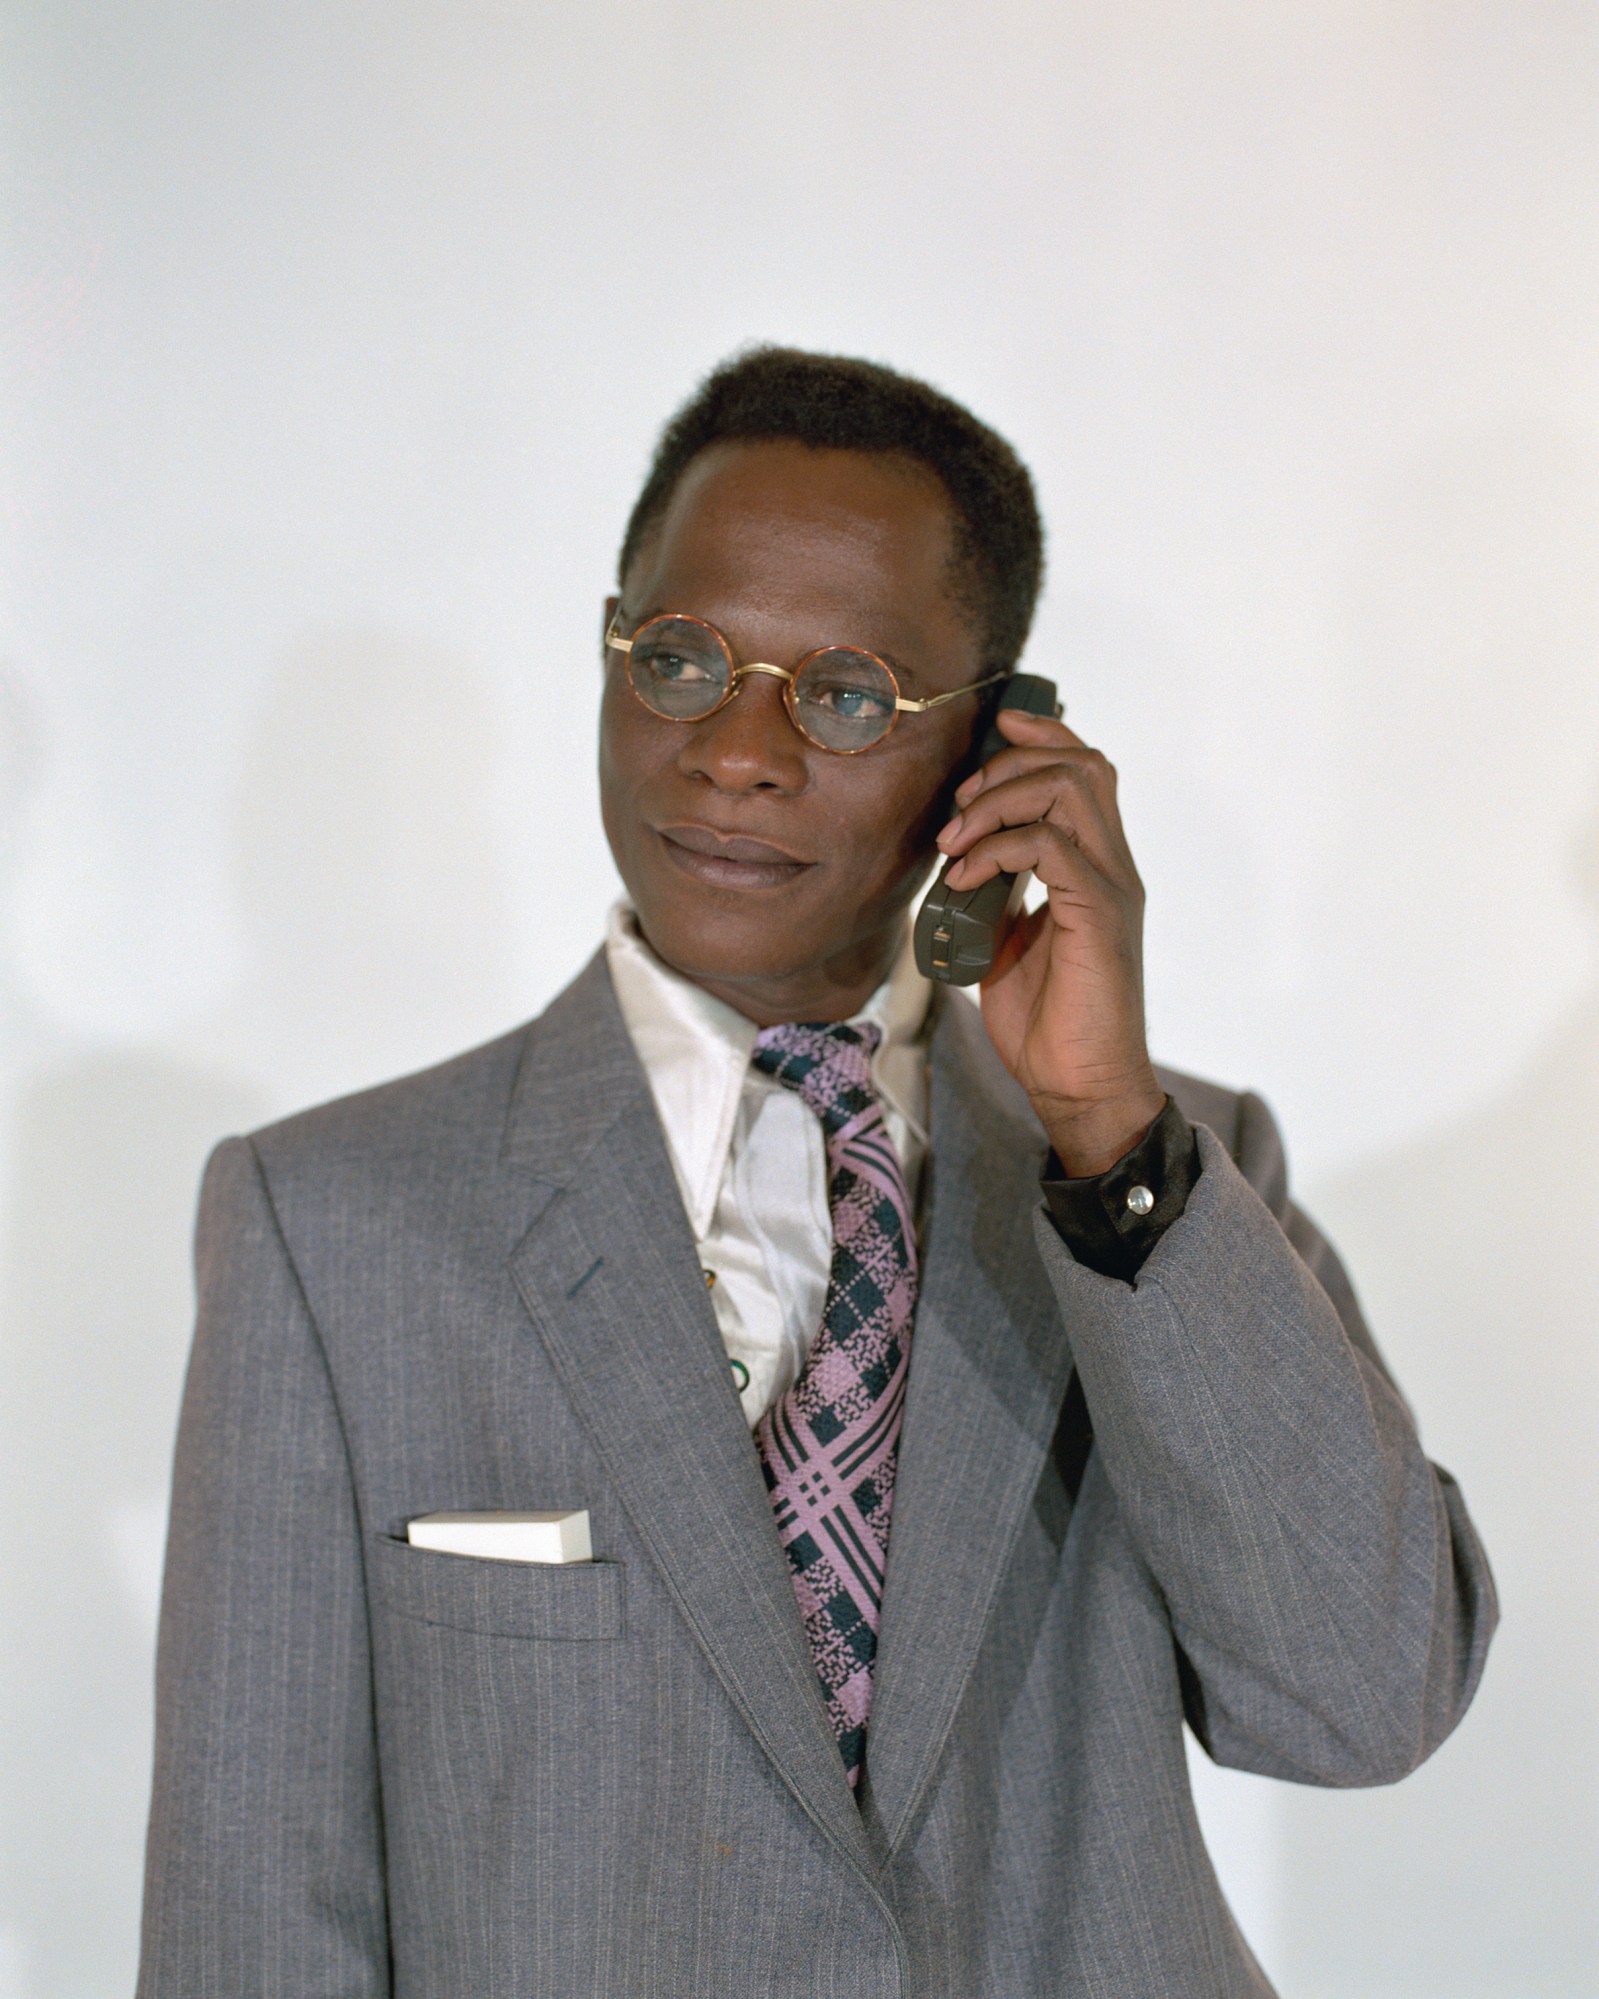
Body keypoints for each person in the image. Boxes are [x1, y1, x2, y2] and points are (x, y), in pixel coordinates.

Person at [137, 348, 1497, 1998]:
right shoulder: (333, 1226)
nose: (735, 751)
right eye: (683, 659)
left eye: (846, 692)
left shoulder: (1164, 1181)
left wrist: (1106, 1134)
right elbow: (249, 1921)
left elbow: (1359, 1704)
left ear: (997, 749)